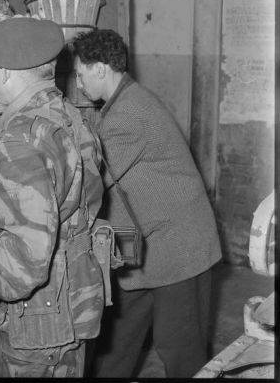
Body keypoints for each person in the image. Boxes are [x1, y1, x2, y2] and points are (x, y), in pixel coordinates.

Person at [0, 17, 106, 378]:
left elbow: (28, 256)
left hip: (39, 323)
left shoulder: (20, 141)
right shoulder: (72, 118)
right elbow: (90, 199)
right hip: (75, 301)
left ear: (5, 73)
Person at [73, 28, 222, 378]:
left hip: (180, 251)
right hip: (141, 250)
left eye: (80, 75)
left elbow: (91, 182)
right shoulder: (122, 104)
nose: (78, 84)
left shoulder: (129, 113)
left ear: (100, 69)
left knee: (181, 352)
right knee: (114, 343)